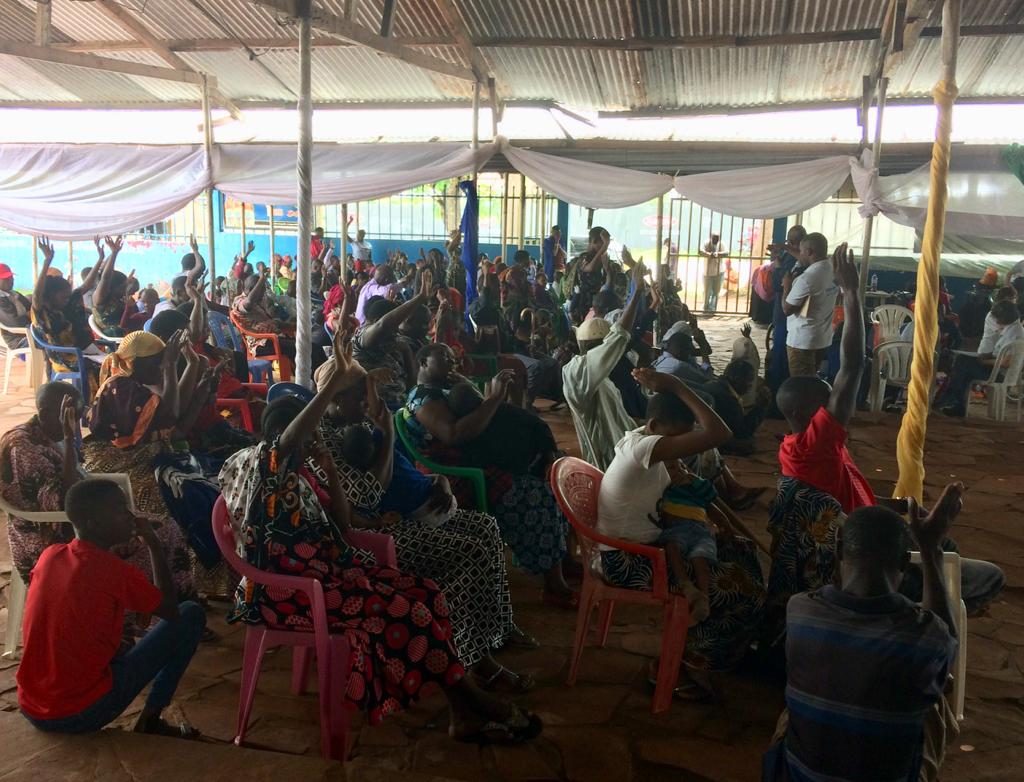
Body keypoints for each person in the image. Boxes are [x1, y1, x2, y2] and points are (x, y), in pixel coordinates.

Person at [219, 334, 542, 742]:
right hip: (288, 590)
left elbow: (341, 524)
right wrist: (331, 392)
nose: (309, 440)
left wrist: (327, 471)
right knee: (411, 610)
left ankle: (465, 701)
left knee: (425, 594)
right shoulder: (260, 464)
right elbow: (295, 447)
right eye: (303, 435)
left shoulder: (304, 472)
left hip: (329, 570)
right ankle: (470, 701)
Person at [310, 356, 537, 691]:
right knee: (467, 553)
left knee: (485, 528)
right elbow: (371, 492)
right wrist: (386, 431)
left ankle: (496, 628)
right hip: (372, 535)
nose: (365, 400)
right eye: (358, 394)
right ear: (335, 398)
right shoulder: (328, 439)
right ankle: (474, 660)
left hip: (398, 517)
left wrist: (437, 481)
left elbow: (400, 468)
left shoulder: (353, 424)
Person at [763, 486, 963, 782]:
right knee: (934, 700)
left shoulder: (800, 611)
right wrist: (930, 548)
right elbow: (947, 642)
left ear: (840, 551)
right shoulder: (923, 636)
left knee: (797, 705)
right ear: (905, 564)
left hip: (794, 776)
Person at [597, 368, 765, 677]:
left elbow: (701, 488)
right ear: (654, 426)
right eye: (679, 439)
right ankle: (691, 659)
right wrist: (676, 385)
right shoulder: (644, 447)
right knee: (738, 589)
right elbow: (720, 433)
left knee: (741, 552)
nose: (683, 448)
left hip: (645, 548)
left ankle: (725, 643)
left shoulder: (641, 439)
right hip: (627, 560)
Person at [16, 477, 206, 737]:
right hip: (78, 714)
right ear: (93, 523)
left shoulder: (50, 556)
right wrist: (153, 544)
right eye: (119, 509)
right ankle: (152, 718)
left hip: (32, 706)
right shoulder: (112, 570)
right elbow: (171, 611)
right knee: (190, 614)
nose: (130, 515)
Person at [405, 343, 575, 608]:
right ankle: (554, 584)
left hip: (479, 457)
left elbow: (487, 420)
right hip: (456, 473)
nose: (451, 363)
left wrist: (481, 392)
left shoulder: (446, 389)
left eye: (453, 359)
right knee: (534, 494)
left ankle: (563, 558)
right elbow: (454, 434)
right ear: (423, 362)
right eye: (444, 358)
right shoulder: (422, 397)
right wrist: (494, 399)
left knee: (555, 473)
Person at [83, 330, 222, 577]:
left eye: (162, 362)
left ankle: (208, 573)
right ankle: (191, 574)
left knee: (208, 481)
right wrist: (170, 367)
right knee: (185, 495)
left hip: (146, 456)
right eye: (156, 362)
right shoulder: (121, 387)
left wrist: (201, 392)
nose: (160, 367)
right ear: (135, 363)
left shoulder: (135, 385)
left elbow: (174, 431)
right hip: (120, 464)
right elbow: (170, 415)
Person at [563, 260, 648, 470]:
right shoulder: (576, 372)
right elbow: (619, 337)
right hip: (610, 462)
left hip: (626, 449)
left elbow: (622, 421)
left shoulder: (603, 378)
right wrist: (636, 293)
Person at [353, 272, 432, 410]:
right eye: (394, 327)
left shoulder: (393, 343)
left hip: (400, 405)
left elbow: (412, 384)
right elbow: (383, 325)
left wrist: (406, 351)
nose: (396, 331)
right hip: (373, 408)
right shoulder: (362, 337)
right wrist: (419, 298)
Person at [30, 237, 104, 385]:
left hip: (82, 350)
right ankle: (91, 402)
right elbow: (37, 295)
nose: (67, 299)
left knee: (115, 363)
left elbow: (87, 285)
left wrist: (101, 258)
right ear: (50, 295)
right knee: (102, 366)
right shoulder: (42, 311)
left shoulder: (68, 304)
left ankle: (104, 400)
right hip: (63, 356)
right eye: (63, 296)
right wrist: (47, 261)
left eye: (68, 296)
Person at [937, 299, 1024, 417]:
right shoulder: (1015, 329)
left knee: (962, 363)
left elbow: (1006, 362)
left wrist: (984, 361)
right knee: (963, 367)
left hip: (1000, 374)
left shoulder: (1014, 333)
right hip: (1001, 371)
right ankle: (954, 402)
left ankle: (949, 400)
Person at [782, 232, 837, 378]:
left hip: (802, 340)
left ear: (809, 252)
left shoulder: (807, 278)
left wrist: (787, 286)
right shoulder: (833, 269)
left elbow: (787, 309)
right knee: (813, 381)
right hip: (822, 338)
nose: (800, 255)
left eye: (801, 251)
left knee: (801, 385)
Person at [766, 225, 807, 395]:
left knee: (781, 355)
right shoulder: (806, 260)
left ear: (791, 242)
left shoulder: (793, 259)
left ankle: (778, 395)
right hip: (794, 314)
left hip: (785, 313)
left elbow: (778, 284)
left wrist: (776, 264)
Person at [701, 359, 770, 456]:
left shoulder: (713, 384)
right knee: (748, 444)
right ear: (737, 379)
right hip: (708, 436)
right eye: (749, 380)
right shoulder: (728, 399)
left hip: (701, 430)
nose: (751, 386)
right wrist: (760, 407)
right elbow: (743, 432)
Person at [231, 265, 296, 365]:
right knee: (300, 348)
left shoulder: (259, 302)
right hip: (261, 344)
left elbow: (273, 321)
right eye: (262, 290)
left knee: (308, 346)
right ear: (252, 290)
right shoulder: (239, 301)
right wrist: (262, 278)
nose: (264, 293)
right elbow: (248, 303)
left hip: (273, 338)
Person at [91, 236, 132, 337]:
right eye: (122, 287)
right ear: (112, 287)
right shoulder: (100, 299)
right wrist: (114, 254)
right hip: (112, 338)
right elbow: (105, 278)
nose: (125, 290)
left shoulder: (118, 298)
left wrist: (114, 252)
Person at [0, 262, 30, 348]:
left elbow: (32, 308)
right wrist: (29, 316)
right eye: (6, 279)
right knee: (50, 342)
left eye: (11, 277)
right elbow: (15, 322)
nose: (11, 280)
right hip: (18, 340)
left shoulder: (14, 294)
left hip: (30, 333)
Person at [699, 233, 728, 312]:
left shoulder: (721, 244)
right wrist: (709, 254)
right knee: (707, 292)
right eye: (714, 238)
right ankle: (706, 307)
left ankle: (712, 309)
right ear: (711, 238)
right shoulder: (706, 243)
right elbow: (700, 251)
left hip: (719, 272)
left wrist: (717, 254)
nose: (716, 240)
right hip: (707, 272)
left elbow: (726, 253)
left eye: (717, 239)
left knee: (716, 292)